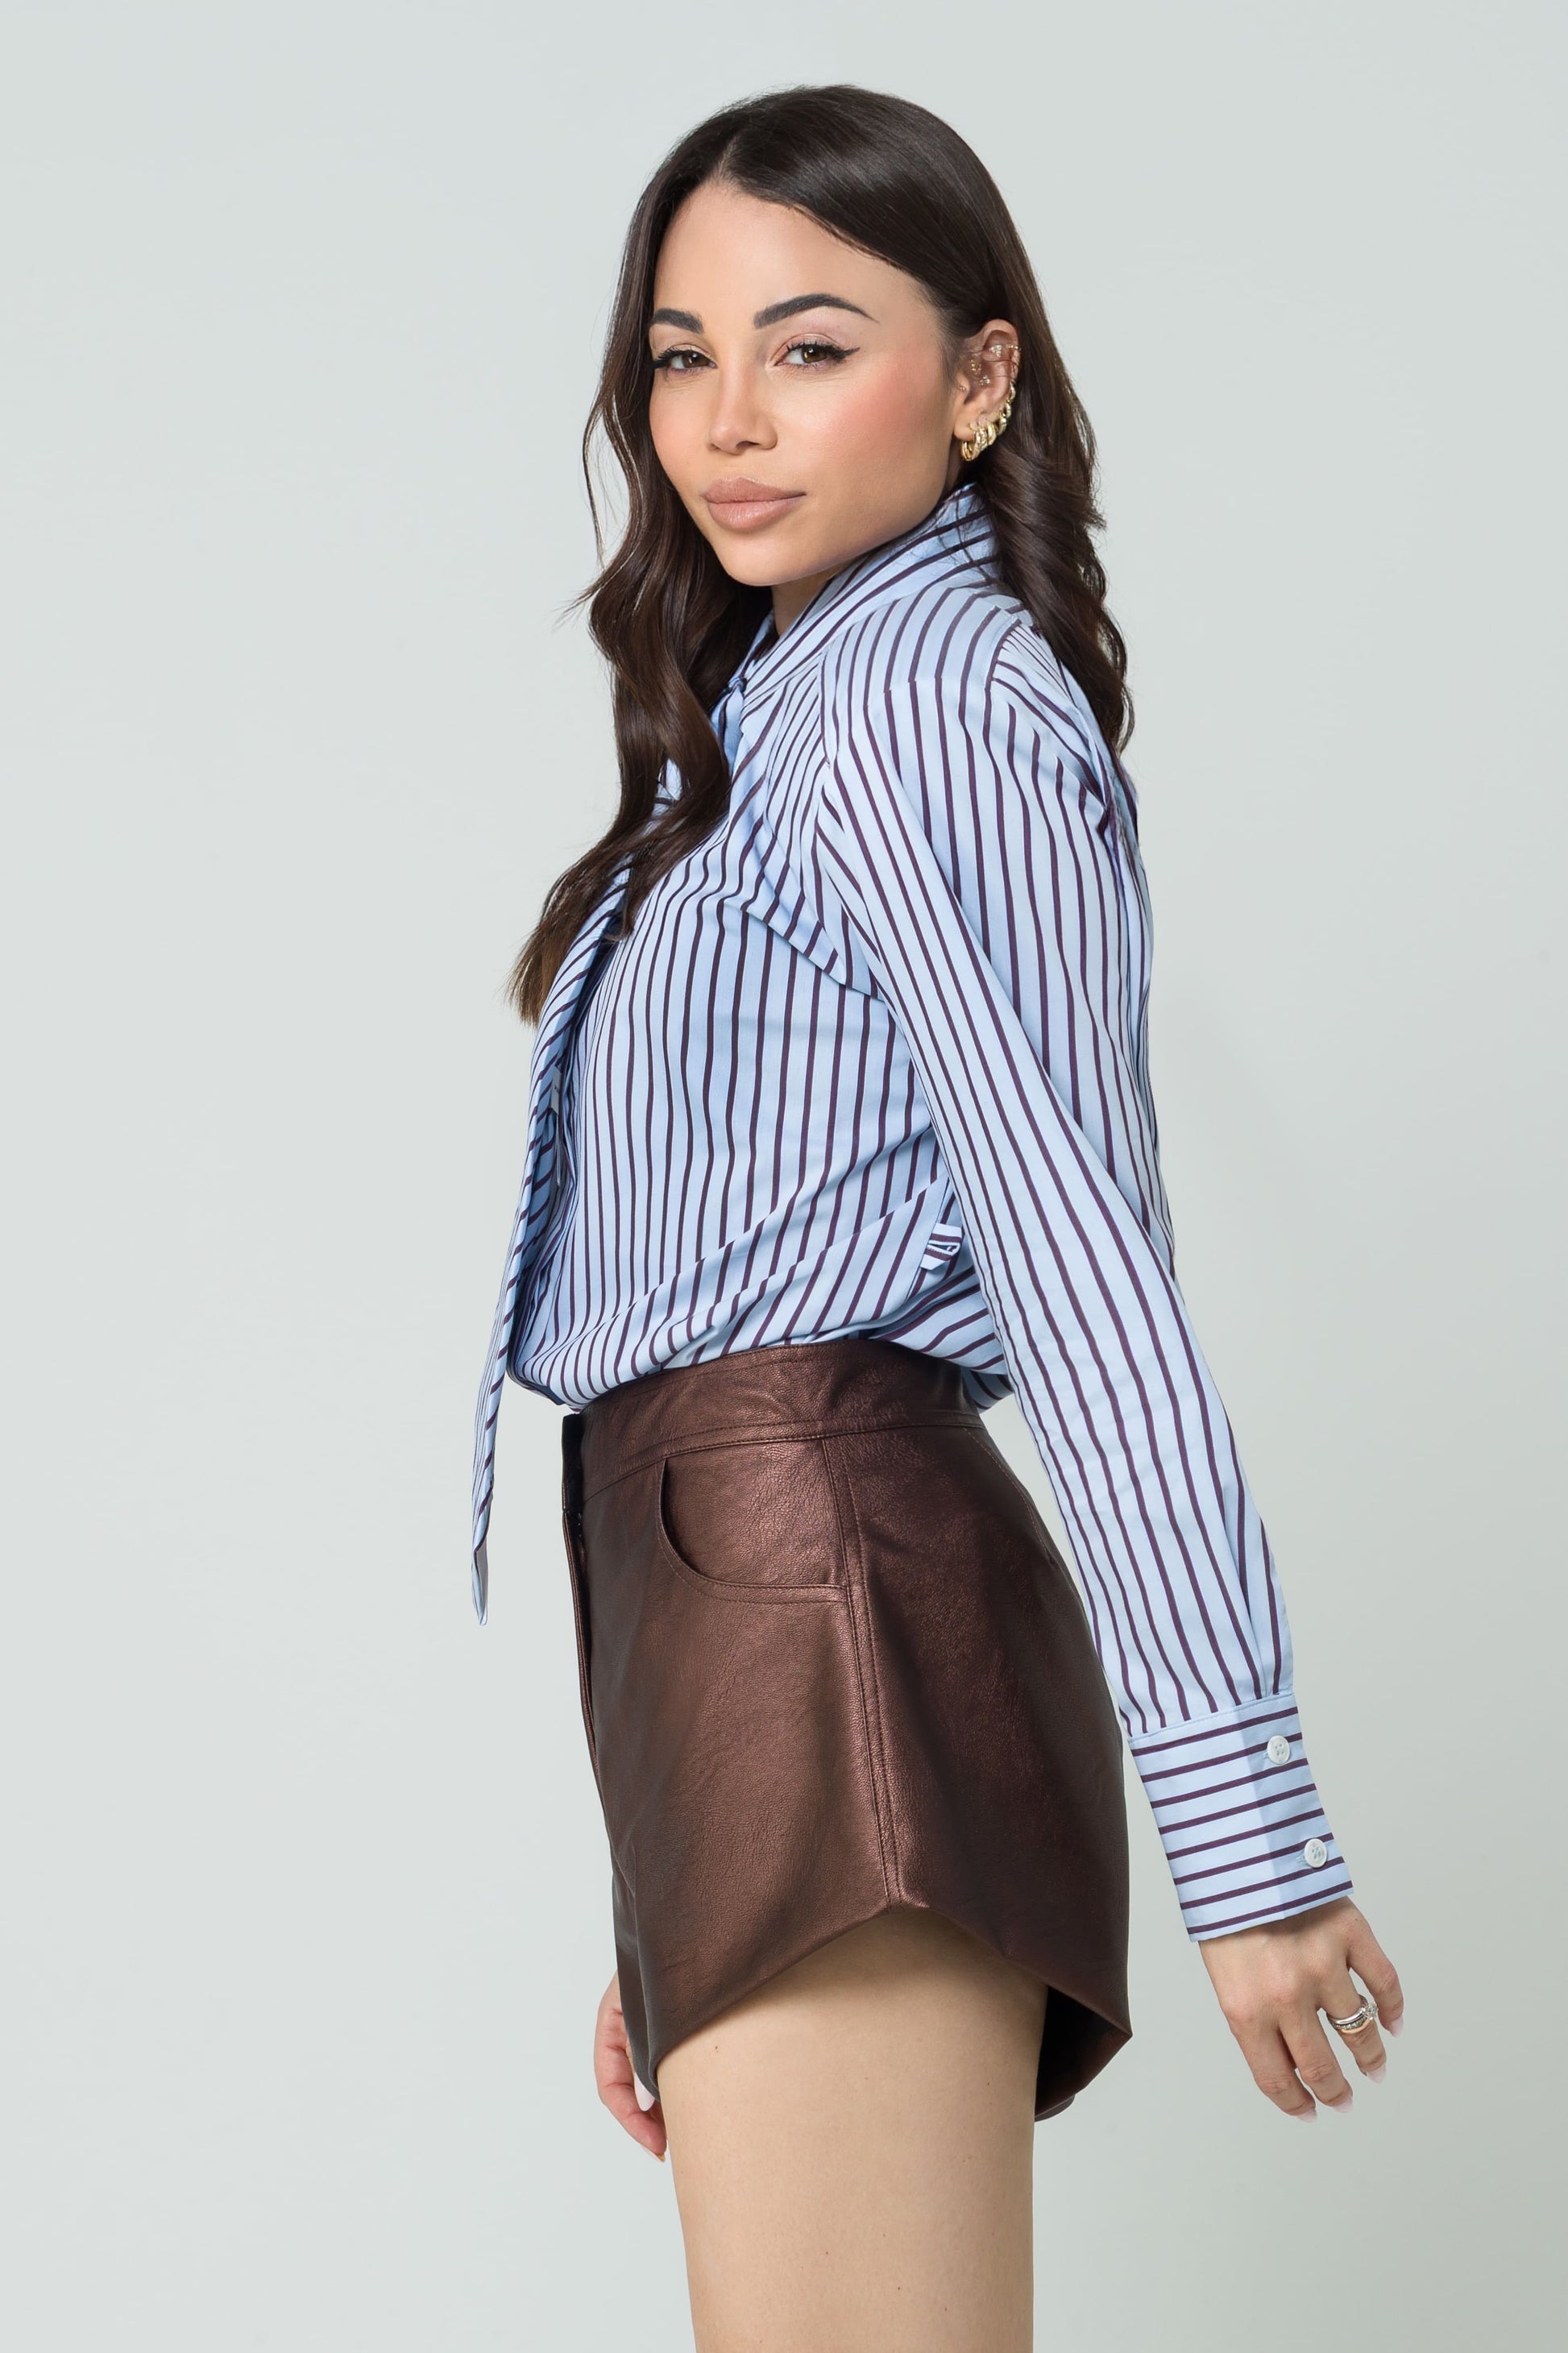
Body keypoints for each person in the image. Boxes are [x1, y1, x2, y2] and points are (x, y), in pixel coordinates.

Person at [471, 82, 1404, 2353]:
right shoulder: (786, 710)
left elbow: (1084, 1275)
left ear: (980, 378)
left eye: (809, 345)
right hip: (751, 1649)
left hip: (833, 1627)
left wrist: (1247, 1827)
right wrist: (676, 1855)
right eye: (679, 356)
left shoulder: (924, 701)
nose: (726, 418)